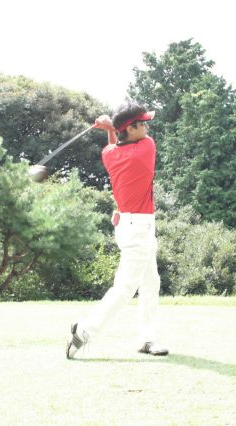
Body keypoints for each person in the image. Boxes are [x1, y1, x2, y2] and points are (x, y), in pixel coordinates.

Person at [66, 100, 168, 359]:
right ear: (130, 129)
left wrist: (110, 128)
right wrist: (110, 127)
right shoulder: (146, 147)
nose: (146, 127)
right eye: (141, 123)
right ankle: (84, 331)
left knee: (151, 283)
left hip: (130, 226)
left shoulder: (109, 154)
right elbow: (120, 141)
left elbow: (115, 145)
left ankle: (147, 339)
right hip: (139, 228)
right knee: (125, 288)